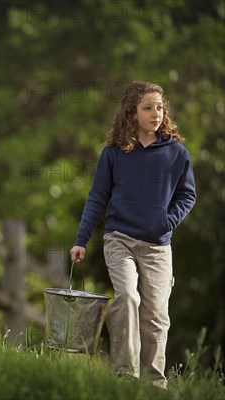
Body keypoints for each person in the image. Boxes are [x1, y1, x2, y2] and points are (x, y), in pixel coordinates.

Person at [69, 81, 196, 388]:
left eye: (160, 108)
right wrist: (81, 240)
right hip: (120, 239)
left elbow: (187, 196)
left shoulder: (176, 153)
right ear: (131, 113)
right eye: (148, 108)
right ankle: (126, 375)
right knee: (127, 297)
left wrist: (166, 222)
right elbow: (97, 198)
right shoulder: (114, 153)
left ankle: (154, 384)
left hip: (157, 247)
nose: (156, 114)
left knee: (155, 318)